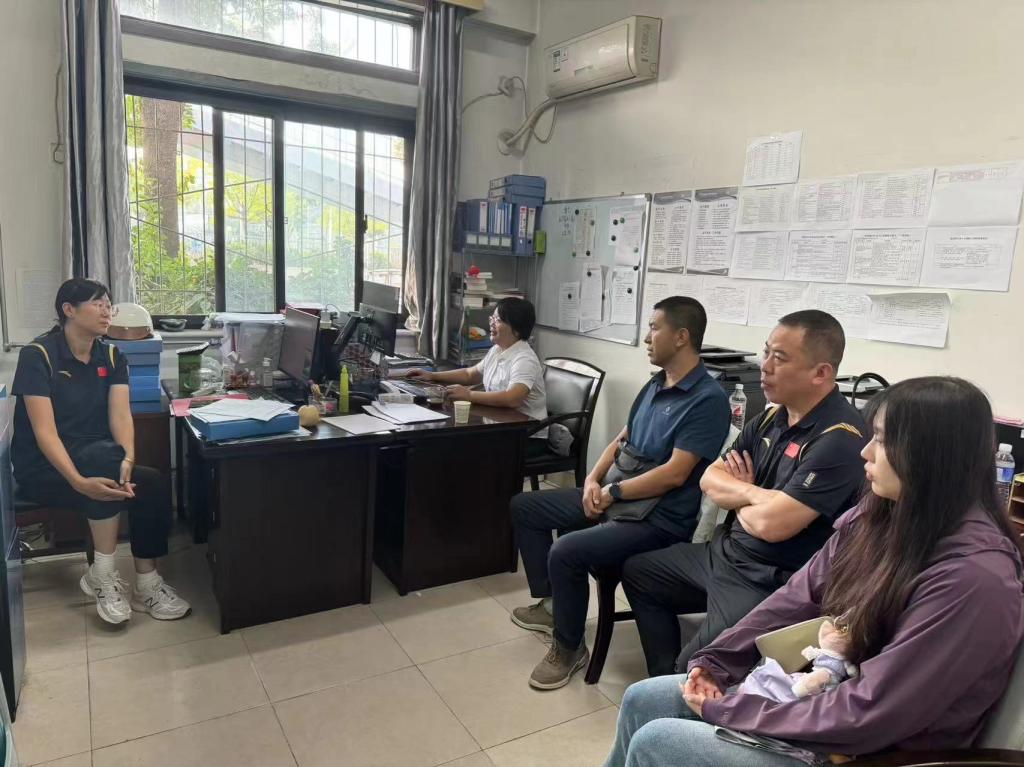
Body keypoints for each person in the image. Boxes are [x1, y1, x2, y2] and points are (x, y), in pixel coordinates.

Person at [605, 377, 1024, 767]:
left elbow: (874, 711)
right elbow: (798, 595)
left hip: (874, 749)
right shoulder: (882, 514)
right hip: (828, 694)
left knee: (657, 741)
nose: (865, 452)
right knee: (645, 697)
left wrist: (733, 708)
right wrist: (719, 660)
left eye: (881, 439)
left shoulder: (973, 579)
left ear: (932, 455)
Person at [621, 310, 867, 677]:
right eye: (766, 352)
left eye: (779, 358)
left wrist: (741, 498)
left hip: (769, 576)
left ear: (821, 373)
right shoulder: (772, 416)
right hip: (726, 551)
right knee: (639, 572)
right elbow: (710, 478)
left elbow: (773, 526)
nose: (765, 366)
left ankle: (683, 681)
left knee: (699, 664)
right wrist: (758, 494)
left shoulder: (840, 438)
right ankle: (663, 680)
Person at [509, 296, 730, 689]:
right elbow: (621, 440)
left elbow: (674, 475)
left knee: (567, 550)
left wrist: (611, 491)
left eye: (654, 328)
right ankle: (553, 603)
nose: (647, 337)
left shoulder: (707, 400)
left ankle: (569, 647)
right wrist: (594, 480)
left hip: (658, 520)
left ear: (681, 337)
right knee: (526, 507)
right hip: (622, 498)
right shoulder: (656, 383)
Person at [12, 278, 191, 625]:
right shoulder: (38, 356)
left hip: (97, 456)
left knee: (152, 483)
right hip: (44, 468)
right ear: (69, 310)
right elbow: (45, 433)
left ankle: (146, 585)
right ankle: (104, 577)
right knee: (101, 464)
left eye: (109, 304)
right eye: (98, 304)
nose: (107, 311)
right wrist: (79, 482)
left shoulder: (112, 355)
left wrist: (128, 460)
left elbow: (121, 416)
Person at [406, 297, 548, 456]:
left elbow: (512, 399)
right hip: (501, 426)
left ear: (516, 329)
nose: (491, 323)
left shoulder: (524, 359)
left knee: (457, 449)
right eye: (492, 318)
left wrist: (469, 395)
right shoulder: (497, 350)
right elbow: (470, 374)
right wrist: (432, 376)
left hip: (527, 436)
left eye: (498, 320)